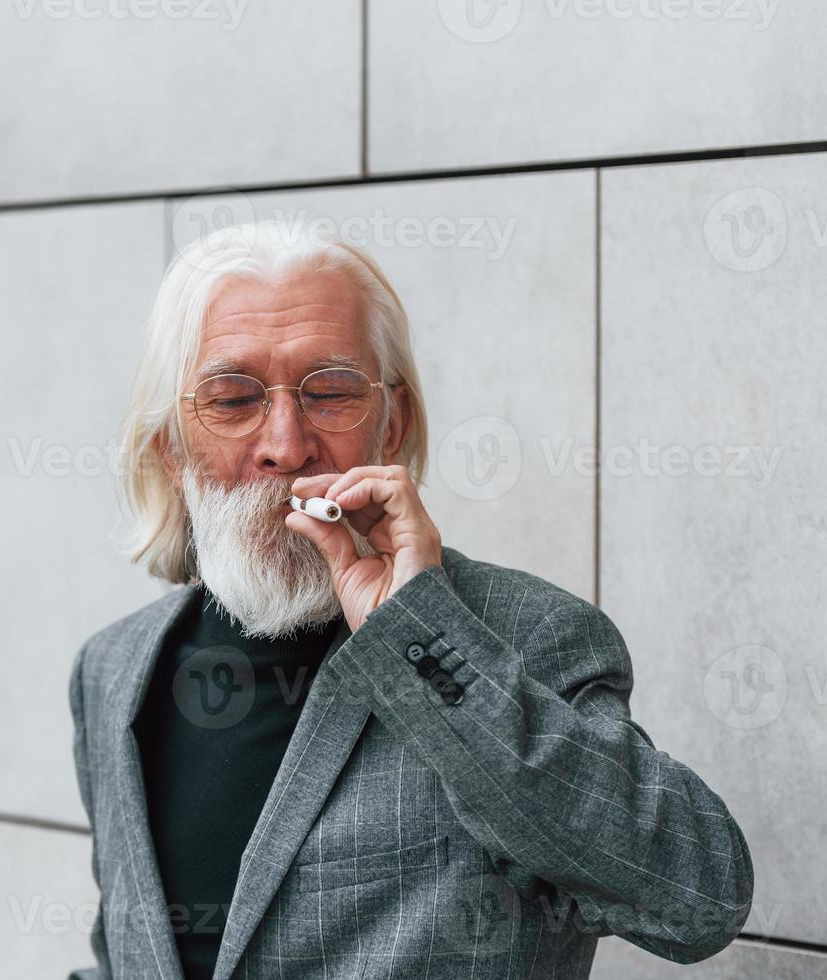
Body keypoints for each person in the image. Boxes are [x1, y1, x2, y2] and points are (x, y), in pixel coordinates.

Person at [66, 221, 753, 980]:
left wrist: (420, 634)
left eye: (329, 392)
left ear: (392, 426)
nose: (286, 445)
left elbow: (700, 899)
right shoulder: (113, 669)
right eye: (233, 399)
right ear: (171, 444)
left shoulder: (531, 637)